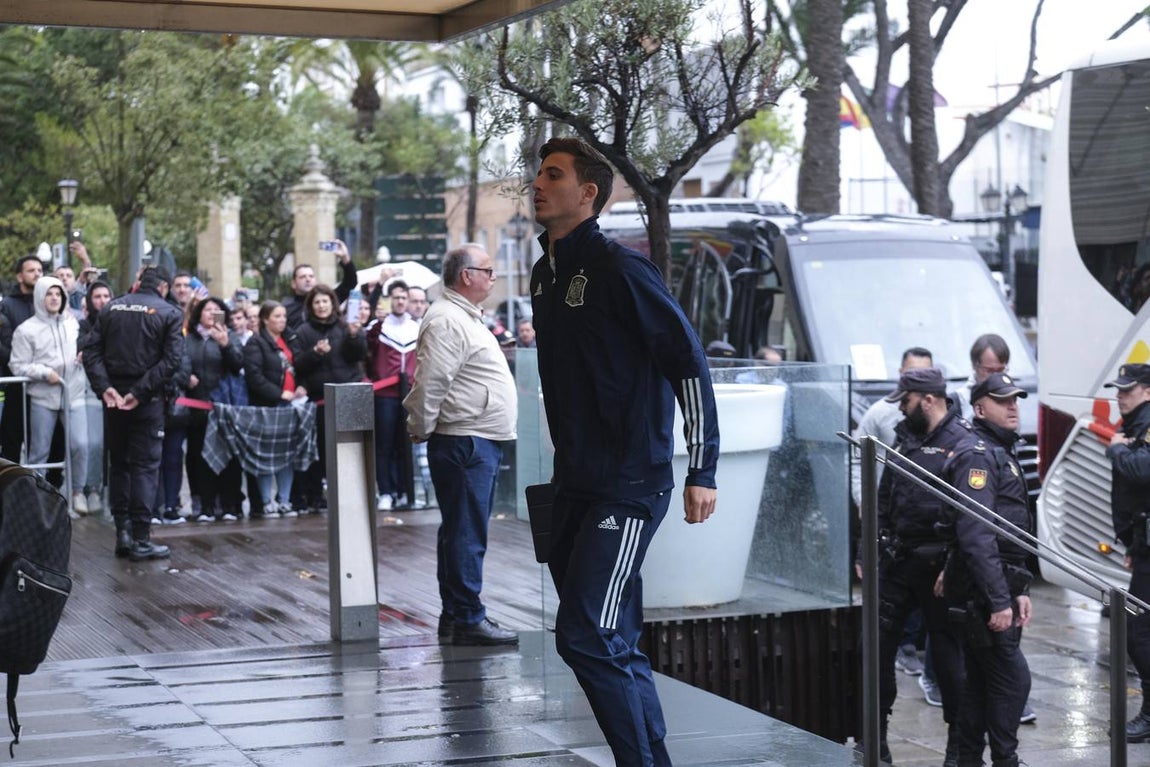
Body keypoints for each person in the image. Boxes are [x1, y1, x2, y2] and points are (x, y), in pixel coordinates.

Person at [530, 136, 719, 766]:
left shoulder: (620, 268)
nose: (537, 183)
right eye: (538, 173)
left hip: (629, 487)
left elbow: (688, 363)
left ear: (587, 194)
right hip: (573, 486)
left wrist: (703, 467)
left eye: (552, 175)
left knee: (585, 635)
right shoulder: (543, 273)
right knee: (616, 641)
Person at [403, 244, 518, 646]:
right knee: (467, 533)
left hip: (473, 437)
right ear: (466, 275)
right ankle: (467, 616)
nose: (493, 277)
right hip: (466, 440)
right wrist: (420, 424)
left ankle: (457, 615)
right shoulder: (448, 319)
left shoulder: (460, 316)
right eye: (488, 270)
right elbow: (431, 381)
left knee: (461, 531)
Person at [872, 366, 970, 765]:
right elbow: (883, 495)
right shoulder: (904, 436)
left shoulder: (963, 442)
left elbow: (970, 515)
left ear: (928, 399)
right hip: (899, 560)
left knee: (948, 660)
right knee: (874, 651)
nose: (902, 409)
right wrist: (871, 548)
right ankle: (874, 736)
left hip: (941, 567)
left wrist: (956, 565)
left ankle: (957, 746)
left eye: (907, 401)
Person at [941, 372, 1033, 767]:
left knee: (979, 685)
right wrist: (999, 600)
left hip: (995, 588)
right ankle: (1004, 761)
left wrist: (1019, 588)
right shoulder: (979, 454)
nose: (1013, 406)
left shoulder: (998, 449)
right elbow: (977, 534)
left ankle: (968, 760)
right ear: (980, 408)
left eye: (1015, 399)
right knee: (1012, 680)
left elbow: (1009, 534)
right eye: (1003, 400)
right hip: (983, 595)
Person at [82, 265, 183, 561]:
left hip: (115, 399)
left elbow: (91, 352)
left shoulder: (111, 308)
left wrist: (107, 389)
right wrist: (139, 393)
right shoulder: (168, 312)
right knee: (145, 467)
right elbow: (172, 360)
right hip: (145, 401)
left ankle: (122, 533)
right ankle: (140, 538)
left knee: (120, 464)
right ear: (163, 286)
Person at [9, 276, 90, 513]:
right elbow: (18, 365)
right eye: (49, 293)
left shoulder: (74, 324)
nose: (54, 298)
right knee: (40, 451)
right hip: (44, 396)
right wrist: (45, 373)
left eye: (58, 294)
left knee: (80, 444)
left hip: (73, 393)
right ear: (39, 297)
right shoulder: (27, 329)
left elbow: (89, 345)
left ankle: (78, 493)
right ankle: (36, 498)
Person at [1102, 363, 1150, 742]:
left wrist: (1117, 449)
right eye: (1118, 389)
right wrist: (1134, 543)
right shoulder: (1135, 426)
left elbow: (1142, 471)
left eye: (1127, 390)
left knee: (1138, 632)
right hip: (1146, 546)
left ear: (1147, 392)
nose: (1120, 396)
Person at [294, 284, 366, 513]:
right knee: (322, 451)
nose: (321, 306)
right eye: (317, 302)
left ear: (332, 303)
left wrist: (355, 336)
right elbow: (299, 366)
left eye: (325, 301)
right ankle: (318, 496)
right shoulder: (304, 331)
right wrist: (315, 353)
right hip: (321, 400)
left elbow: (358, 355)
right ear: (311, 306)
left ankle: (352, 493)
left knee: (350, 448)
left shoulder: (347, 325)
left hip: (348, 397)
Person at [243, 300, 307, 517]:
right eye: (277, 316)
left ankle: (285, 500)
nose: (282, 321)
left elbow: (299, 367)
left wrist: (299, 387)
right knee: (266, 455)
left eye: (284, 316)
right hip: (267, 407)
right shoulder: (255, 343)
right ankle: (266, 501)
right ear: (265, 319)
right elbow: (254, 377)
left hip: (290, 405)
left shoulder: (289, 339)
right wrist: (278, 393)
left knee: (287, 455)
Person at [185, 297, 245, 522]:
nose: (211, 313)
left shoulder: (231, 337)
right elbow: (178, 362)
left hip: (226, 408)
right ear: (198, 313)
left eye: (216, 310)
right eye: (207, 309)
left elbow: (238, 365)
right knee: (200, 456)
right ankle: (205, 505)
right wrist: (187, 377)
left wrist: (225, 344)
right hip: (198, 408)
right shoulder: (189, 339)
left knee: (229, 456)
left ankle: (230, 504)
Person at [365, 280, 418, 511]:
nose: (399, 301)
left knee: (404, 445)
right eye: (395, 297)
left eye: (403, 298)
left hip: (410, 394)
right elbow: (367, 345)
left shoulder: (416, 327)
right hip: (385, 394)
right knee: (384, 445)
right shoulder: (379, 327)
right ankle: (385, 491)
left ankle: (404, 490)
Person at [0, 254, 44, 462]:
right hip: (16, 387)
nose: (37, 274)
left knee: (44, 445)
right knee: (12, 442)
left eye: (40, 270)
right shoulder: (7, 305)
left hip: (45, 386)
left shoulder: (47, 303)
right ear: (19, 277)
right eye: (31, 270)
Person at [79, 281, 113, 513]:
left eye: (105, 295)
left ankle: (103, 489)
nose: (101, 300)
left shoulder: (119, 323)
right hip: (89, 392)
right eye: (97, 296)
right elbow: (83, 349)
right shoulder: (83, 325)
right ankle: (88, 488)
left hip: (116, 390)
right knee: (90, 443)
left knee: (108, 444)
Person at [283, 239, 357, 330]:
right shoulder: (286, 308)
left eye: (311, 276)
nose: (308, 279)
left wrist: (345, 258)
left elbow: (350, 282)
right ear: (293, 284)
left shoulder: (329, 298)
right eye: (303, 277)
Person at [954, 334, 1011, 418]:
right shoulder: (960, 401)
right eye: (989, 371)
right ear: (975, 366)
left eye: (1000, 370)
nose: (995, 377)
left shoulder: (1012, 398)